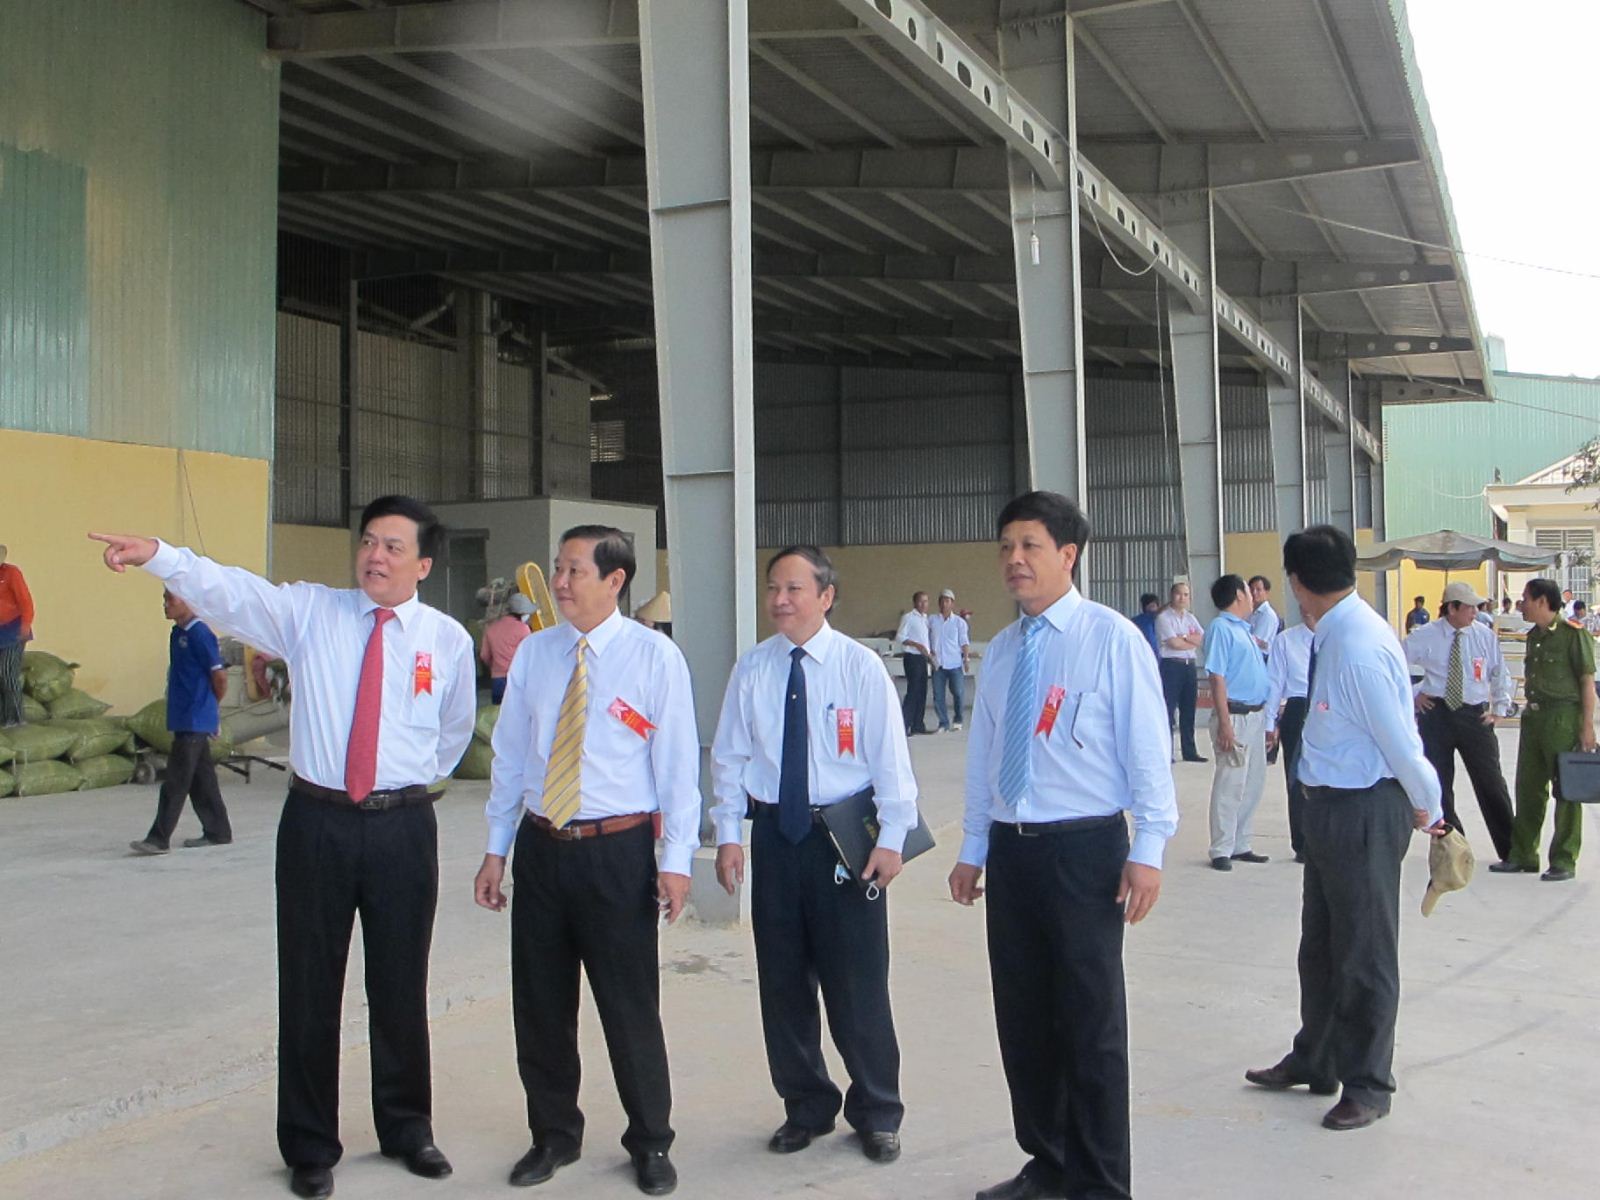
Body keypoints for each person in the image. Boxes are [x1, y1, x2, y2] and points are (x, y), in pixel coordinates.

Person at [91, 496, 476, 1200]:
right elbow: (232, 592)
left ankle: (406, 1128)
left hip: (402, 827)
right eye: (368, 541)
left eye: (393, 547)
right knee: (308, 985)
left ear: (423, 564)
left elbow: (453, 733)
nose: (375, 556)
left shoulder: (445, 641)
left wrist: (402, 784)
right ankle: (309, 1145)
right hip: (317, 822)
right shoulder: (310, 613)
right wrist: (161, 556)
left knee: (400, 983)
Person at [949, 491, 1177, 1200]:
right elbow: (986, 753)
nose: (1013, 560)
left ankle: (1101, 1183)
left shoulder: (1111, 639)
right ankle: (1048, 1165)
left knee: (1090, 1024)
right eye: (1006, 547)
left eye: (1030, 546)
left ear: (1068, 555)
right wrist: (974, 845)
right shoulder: (1002, 650)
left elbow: (1147, 748)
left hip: (1085, 852)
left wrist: (1150, 845)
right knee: (1024, 1020)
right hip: (1013, 853)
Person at [475, 526, 698, 1196]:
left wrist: (676, 859)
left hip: (616, 854)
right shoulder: (537, 654)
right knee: (540, 1006)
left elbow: (677, 766)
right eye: (558, 568)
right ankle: (553, 1135)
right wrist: (496, 849)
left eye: (575, 570)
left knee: (629, 1007)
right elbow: (511, 756)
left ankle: (651, 1141)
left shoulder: (654, 658)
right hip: (542, 848)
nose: (560, 583)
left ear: (615, 580)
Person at [710, 545, 918, 1166]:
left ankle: (877, 1111)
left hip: (845, 840)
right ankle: (805, 1105)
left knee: (857, 984)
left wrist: (893, 837)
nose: (780, 600)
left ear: (826, 596)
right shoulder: (754, 668)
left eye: (794, 588)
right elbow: (730, 757)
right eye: (774, 588)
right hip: (777, 837)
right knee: (782, 982)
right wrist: (728, 833)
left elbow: (890, 757)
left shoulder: (859, 667)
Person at [1245, 525, 1445, 1132]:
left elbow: (1401, 740)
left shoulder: (1356, 646)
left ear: (1296, 582)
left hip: (1364, 811)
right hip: (1330, 810)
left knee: (1364, 954)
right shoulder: (1335, 632)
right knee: (1322, 947)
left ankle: (1369, 1084)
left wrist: (1430, 807)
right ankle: (1318, 1058)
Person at [1490, 578, 1596, 882]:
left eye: (1525, 599)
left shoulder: (1573, 635)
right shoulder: (1533, 636)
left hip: (1562, 718)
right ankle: (1523, 854)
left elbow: (1587, 682)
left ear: (1542, 601)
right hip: (1534, 719)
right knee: (1528, 788)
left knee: (1566, 789)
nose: (1521, 604)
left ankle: (1563, 859)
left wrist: (1587, 726)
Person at [1403, 581, 1515, 862]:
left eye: (1477, 607)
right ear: (1451, 608)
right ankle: (1454, 848)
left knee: (1490, 781)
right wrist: (1414, 694)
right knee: (1439, 783)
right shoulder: (1425, 635)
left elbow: (1499, 672)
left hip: (1473, 713)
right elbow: (1393, 666)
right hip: (1436, 713)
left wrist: (1499, 708)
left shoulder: (1483, 636)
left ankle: (1511, 850)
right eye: (1469, 607)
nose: (1475, 612)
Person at [128, 590, 233, 855]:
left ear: (187, 599)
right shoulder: (177, 633)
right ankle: (218, 831)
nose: (165, 605)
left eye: (171, 599)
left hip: (196, 718)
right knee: (202, 780)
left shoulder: (200, 634)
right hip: (183, 715)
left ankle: (158, 838)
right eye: (164, 599)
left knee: (176, 781)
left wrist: (210, 709)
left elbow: (219, 677)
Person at [1204, 575, 1272, 871]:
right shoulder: (1221, 628)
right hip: (1234, 715)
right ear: (1238, 595)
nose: (1252, 595)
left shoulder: (1243, 629)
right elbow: (1216, 676)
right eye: (1247, 589)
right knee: (1230, 782)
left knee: (1253, 782)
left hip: (1255, 714)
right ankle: (1221, 847)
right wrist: (1224, 723)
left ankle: (1240, 843)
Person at [1263, 617, 1315, 863]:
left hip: (1329, 705)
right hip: (1298, 705)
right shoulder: (1286, 640)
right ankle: (1302, 843)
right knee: (1296, 777)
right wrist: (1269, 722)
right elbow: (1275, 682)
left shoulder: (1338, 636)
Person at [1155, 583, 1206, 763]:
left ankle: (1189, 751)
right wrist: (1189, 640)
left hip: (1189, 666)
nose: (1182, 598)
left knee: (1188, 709)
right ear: (1172, 595)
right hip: (1171, 666)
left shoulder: (1190, 618)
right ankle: (1166, 752)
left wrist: (1183, 637)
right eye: (1179, 594)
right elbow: (1173, 644)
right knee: (1168, 710)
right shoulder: (1163, 618)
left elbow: (1201, 638)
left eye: (1186, 594)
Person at [928, 587, 971, 732]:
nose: (944, 604)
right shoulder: (932, 620)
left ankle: (958, 719)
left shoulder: (959, 622)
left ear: (952, 603)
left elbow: (964, 642)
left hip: (954, 663)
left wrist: (966, 659)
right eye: (942, 601)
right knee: (938, 695)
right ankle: (943, 723)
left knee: (958, 692)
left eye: (947, 601)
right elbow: (925, 636)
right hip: (938, 664)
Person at [0, 544, 34, 727]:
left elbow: (26, 602)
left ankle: (16, 719)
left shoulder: (11, 573)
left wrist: (24, 628)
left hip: (14, 629)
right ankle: (3, 718)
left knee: (7, 673)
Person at [481, 592, 535, 704]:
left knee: (498, 712)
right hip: (518, 678)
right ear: (522, 613)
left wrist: (495, 666)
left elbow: (484, 655)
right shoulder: (523, 629)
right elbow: (530, 655)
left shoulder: (491, 628)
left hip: (497, 680)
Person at [896, 592, 932, 736]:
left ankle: (918, 724)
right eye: (921, 601)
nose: (924, 604)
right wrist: (917, 645)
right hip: (912, 657)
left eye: (926, 601)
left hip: (923, 658)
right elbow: (900, 637)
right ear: (915, 603)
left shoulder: (926, 619)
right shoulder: (909, 617)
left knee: (922, 691)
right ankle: (904, 725)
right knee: (913, 691)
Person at [1248, 575, 1282, 656]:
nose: (1254, 593)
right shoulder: (1251, 612)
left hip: (1260, 657)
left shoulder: (1267, 614)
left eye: (1258, 590)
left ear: (1266, 592)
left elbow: (1255, 641)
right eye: (1251, 590)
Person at [1130, 593, 1161, 659]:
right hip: (1149, 654)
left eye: (1153, 606)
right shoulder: (1145, 619)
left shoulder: (1135, 620)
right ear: (1145, 608)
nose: (1152, 609)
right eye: (1150, 606)